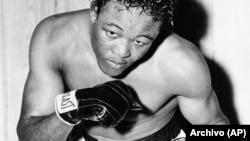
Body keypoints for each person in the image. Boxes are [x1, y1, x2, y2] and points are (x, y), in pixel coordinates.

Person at [17, 0, 229, 141]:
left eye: (140, 41)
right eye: (112, 33)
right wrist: (74, 110)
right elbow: (29, 134)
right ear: (94, 12)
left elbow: (215, 126)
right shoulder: (56, 38)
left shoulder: (182, 63)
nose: (122, 52)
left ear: (160, 31)